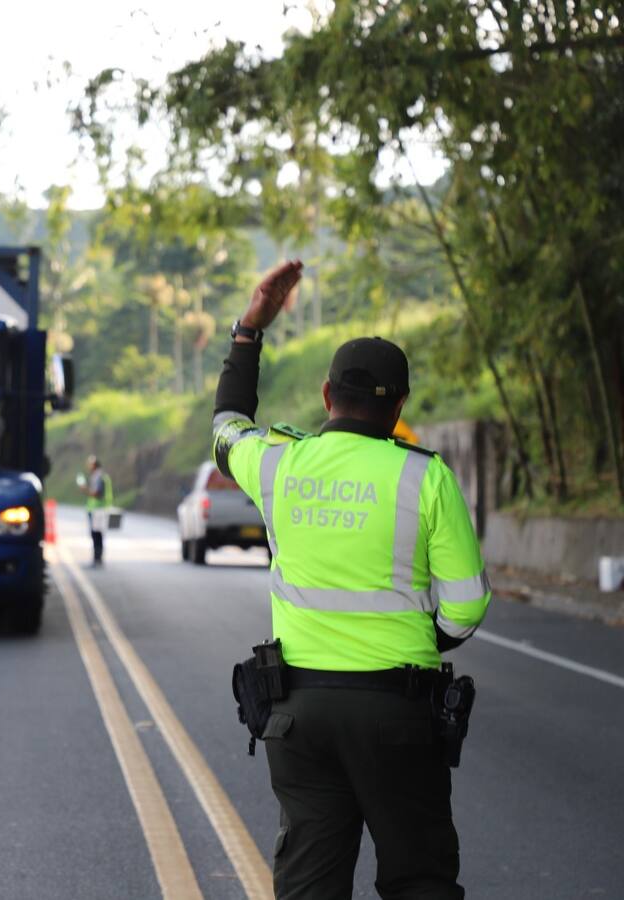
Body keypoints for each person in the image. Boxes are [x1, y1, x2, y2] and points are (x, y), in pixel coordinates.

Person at [213, 261, 491, 899]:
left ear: (325, 395)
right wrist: (418, 640)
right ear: (399, 407)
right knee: (420, 879)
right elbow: (467, 607)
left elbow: (227, 424)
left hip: (298, 717)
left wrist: (249, 332)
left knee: (310, 886)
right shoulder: (426, 477)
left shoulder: (278, 466)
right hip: (398, 713)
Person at [78, 455, 113, 566]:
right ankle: (97, 558)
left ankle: (97, 558)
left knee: (96, 534)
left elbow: (97, 493)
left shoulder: (99, 476)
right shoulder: (98, 476)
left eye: (89, 464)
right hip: (97, 509)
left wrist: (85, 489)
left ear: (94, 465)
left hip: (98, 510)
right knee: (97, 534)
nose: (88, 467)